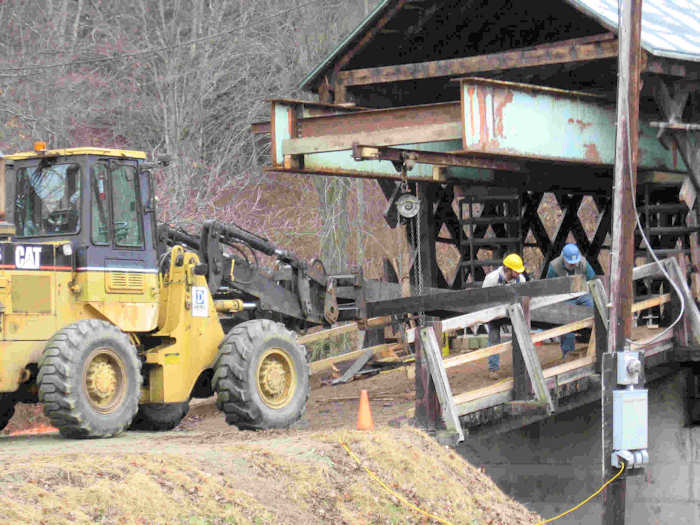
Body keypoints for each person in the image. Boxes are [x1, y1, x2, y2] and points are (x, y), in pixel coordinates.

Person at [545, 243, 596, 359]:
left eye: (574, 262)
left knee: (595, 312)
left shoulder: (583, 264)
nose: (573, 264)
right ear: (563, 258)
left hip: (581, 295)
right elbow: (549, 288)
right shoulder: (554, 267)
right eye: (570, 262)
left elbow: (593, 281)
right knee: (566, 322)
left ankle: (595, 348)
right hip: (564, 297)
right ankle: (568, 355)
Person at [482, 253, 526, 379]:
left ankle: (520, 367)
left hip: (512, 311)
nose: (518, 273)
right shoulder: (492, 279)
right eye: (516, 271)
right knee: (494, 338)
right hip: (495, 311)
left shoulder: (521, 280)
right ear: (508, 269)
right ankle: (493, 369)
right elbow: (483, 297)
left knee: (519, 336)